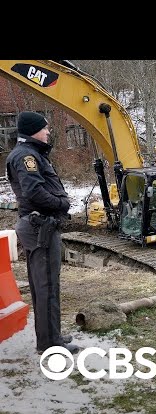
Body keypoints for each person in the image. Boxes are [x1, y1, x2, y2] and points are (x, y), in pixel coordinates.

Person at [5, 111, 79, 354]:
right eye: (45, 128)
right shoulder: (27, 155)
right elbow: (34, 192)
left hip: (39, 226)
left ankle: (51, 335)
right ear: (34, 130)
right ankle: (49, 343)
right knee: (46, 286)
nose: (48, 132)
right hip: (40, 227)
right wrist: (61, 204)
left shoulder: (31, 153)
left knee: (45, 285)